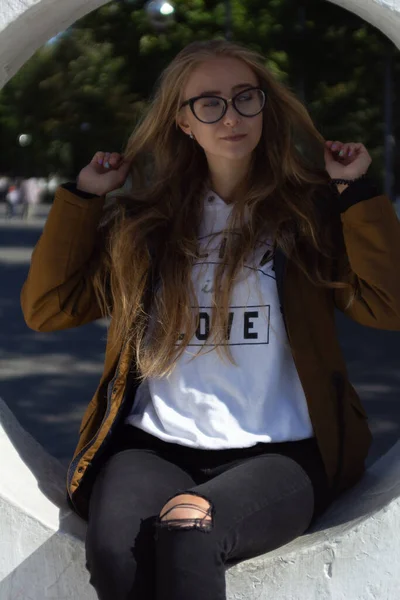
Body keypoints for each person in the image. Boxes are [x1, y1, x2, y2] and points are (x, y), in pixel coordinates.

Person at [20, 39, 400, 600]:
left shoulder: (308, 215)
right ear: (182, 121)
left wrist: (355, 192)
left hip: (281, 450)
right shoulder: (144, 225)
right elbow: (48, 307)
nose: (231, 116)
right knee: (113, 553)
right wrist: (83, 197)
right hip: (152, 445)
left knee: (190, 530)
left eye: (246, 98)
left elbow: (387, 305)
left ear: (266, 107)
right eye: (209, 103)